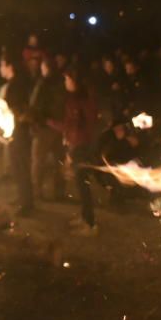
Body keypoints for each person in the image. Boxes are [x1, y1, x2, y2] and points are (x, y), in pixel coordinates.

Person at [58, 70, 99, 235]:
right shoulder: (73, 99)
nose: (65, 82)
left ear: (75, 81)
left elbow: (83, 125)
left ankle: (90, 224)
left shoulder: (83, 100)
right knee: (79, 183)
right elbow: (70, 122)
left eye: (68, 79)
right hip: (77, 144)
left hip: (82, 145)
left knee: (83, 184)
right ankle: (84, 217)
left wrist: (74, 146)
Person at [0, 57, 34, 215]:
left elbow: (15, 109)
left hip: (18, 131)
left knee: (21, 167)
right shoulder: (15, 84)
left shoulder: (16, 86)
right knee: (18, 167)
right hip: (16, 130)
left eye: (2, 65)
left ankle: (27, 205)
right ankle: (23, 198)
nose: (0, 68)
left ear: (9, 66)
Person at [29, 58, 66, 201]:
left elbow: (34, 105)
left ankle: (38, 192)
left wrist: (39, 122)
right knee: (58, 162)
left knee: (39, 161)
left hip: (45, 127)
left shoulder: (43, 83)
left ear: (45, 68)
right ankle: (59, 192)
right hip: (57, 127)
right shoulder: (61, 82)